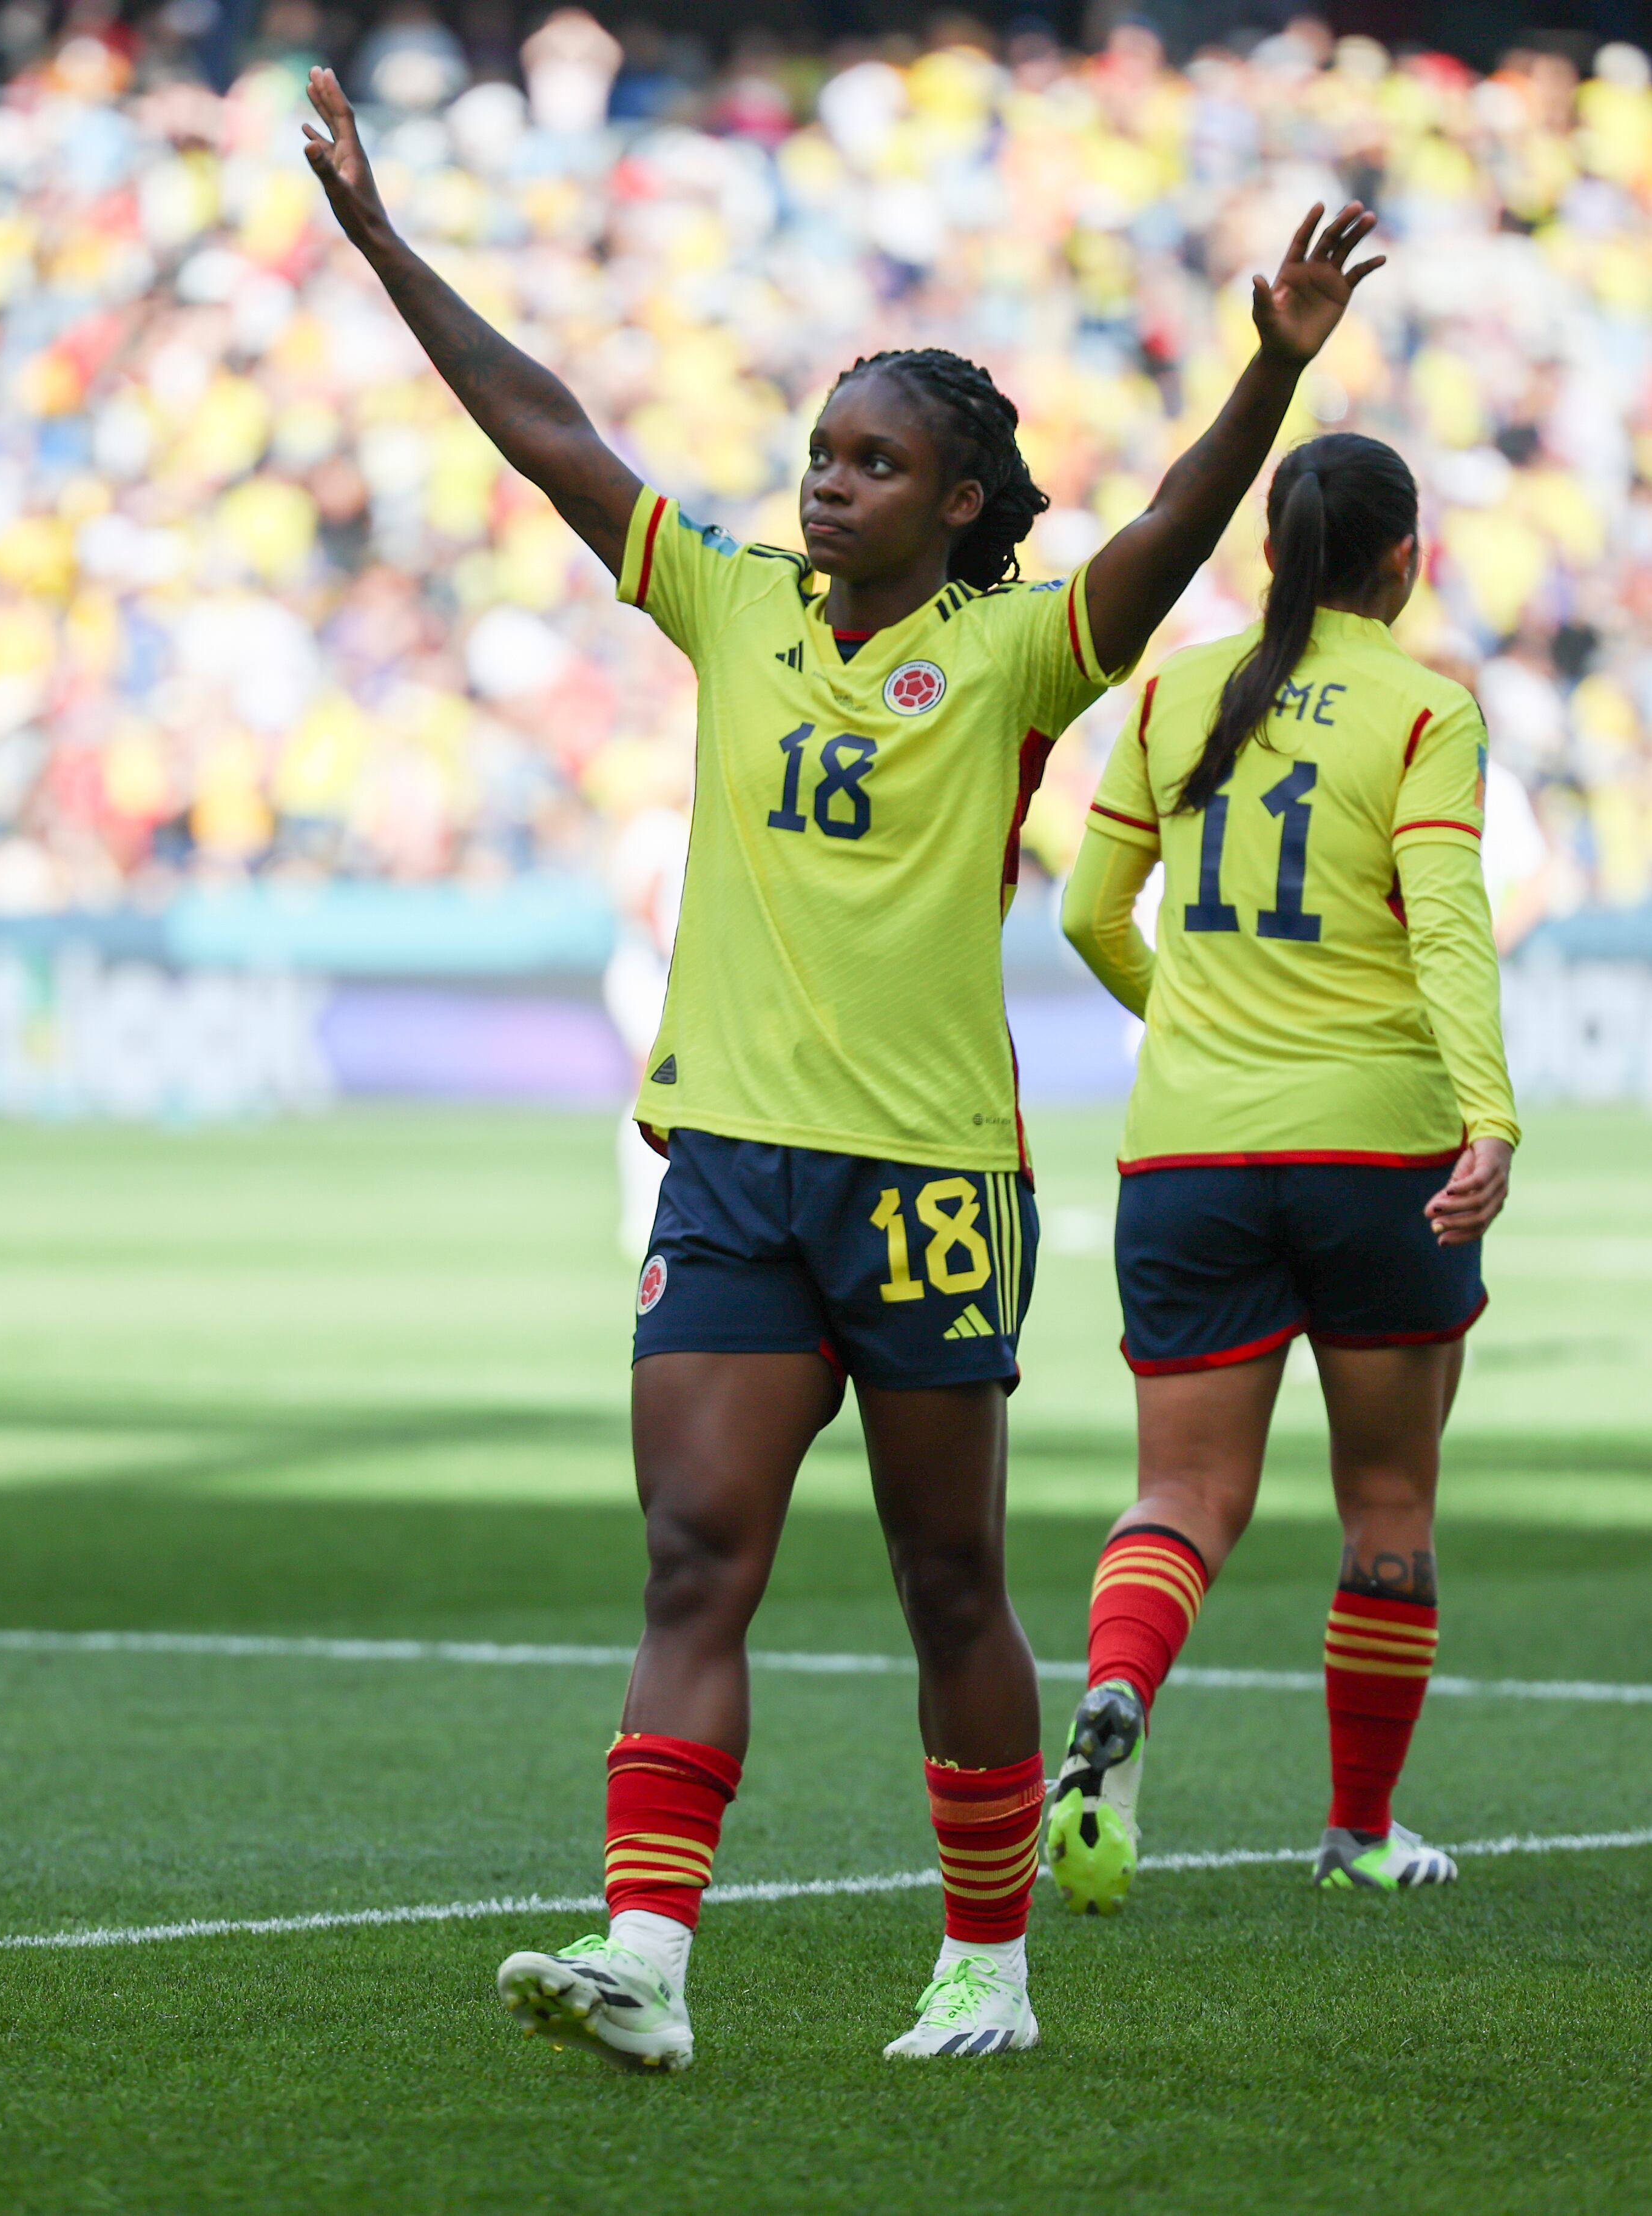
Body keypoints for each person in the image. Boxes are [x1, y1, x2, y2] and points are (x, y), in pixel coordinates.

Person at [302, 64, 1381, 2067]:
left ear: (959, 501)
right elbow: (548, 430)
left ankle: (986, 1964)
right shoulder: (726, 601)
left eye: (875, 461)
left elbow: (1159, 536)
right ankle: (651, 1953)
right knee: (695, 1553)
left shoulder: (1016, 658)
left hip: (930, 1182)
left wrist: (1269, 382)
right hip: (729, 1163)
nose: (829, 482)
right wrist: (383, 248)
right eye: (821, 451)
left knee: (946, 1578)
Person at [1056, 431, 1519, 1909]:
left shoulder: (1168, 691)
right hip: (1375, 1148)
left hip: (1185, 1150)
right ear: (1406, 561)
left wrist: (1196, 1025)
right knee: (1387, 1497)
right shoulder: (1423, 707)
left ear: (1267, 554)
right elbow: (1443, 923)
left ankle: (1117, 1692)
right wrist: (1486, 1116)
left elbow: (1083, 914)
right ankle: (1360, 1832)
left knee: (1180, 1492)